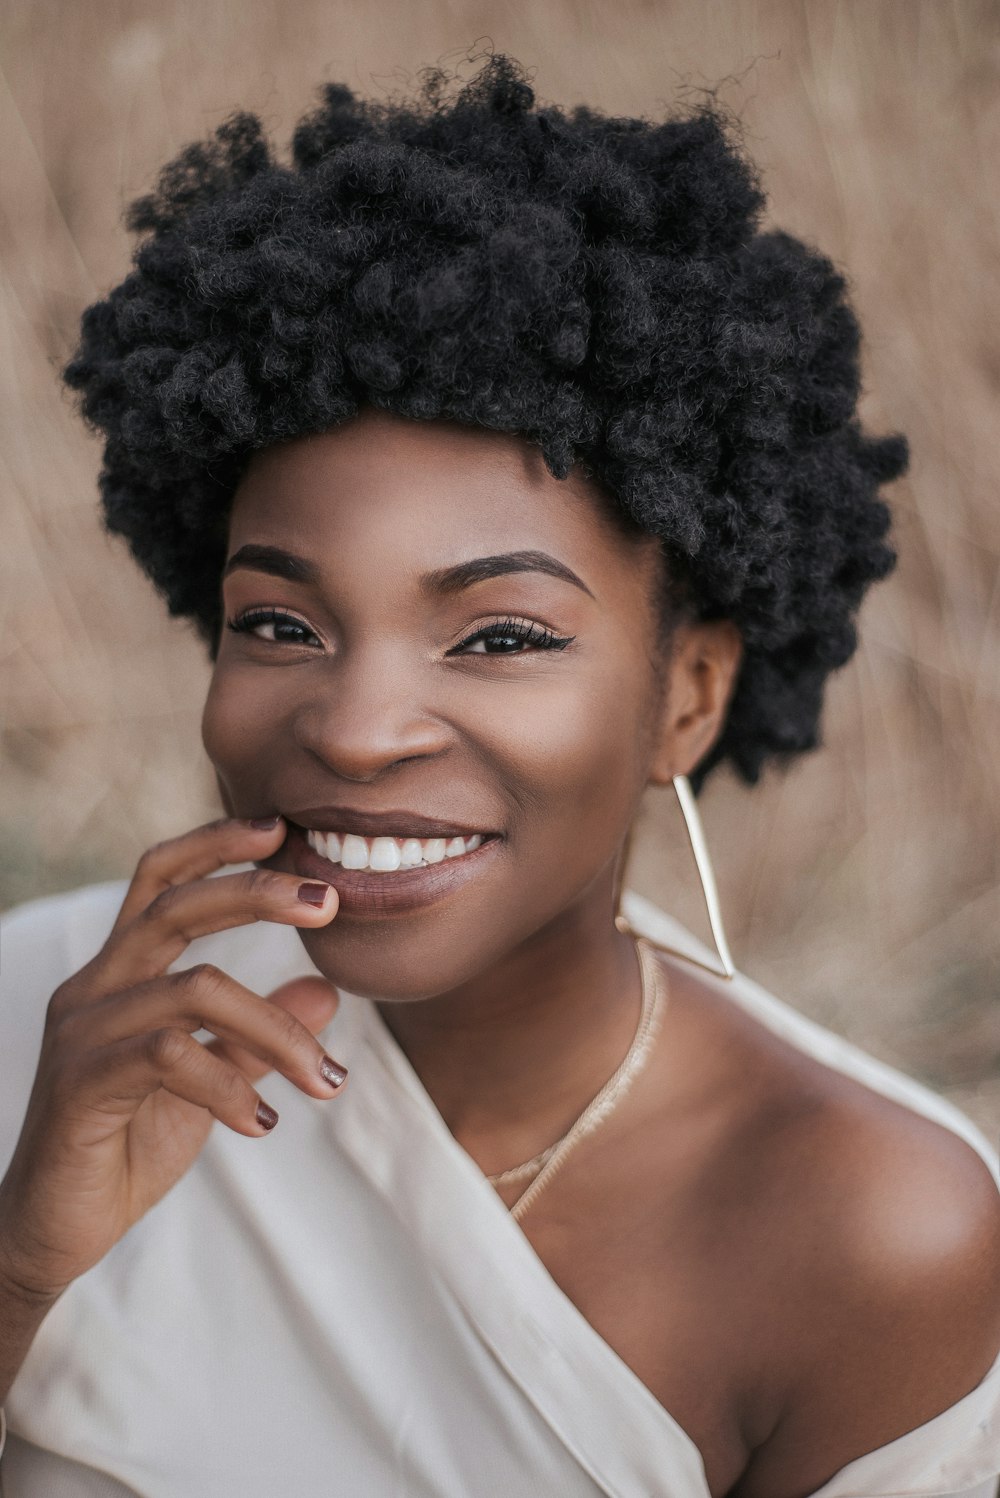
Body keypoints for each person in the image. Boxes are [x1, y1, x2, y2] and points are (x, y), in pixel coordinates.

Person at [0, 52, 997, 1498]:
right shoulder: (47, 1016)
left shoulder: (871, 1231)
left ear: (689, 696)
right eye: (279, 620)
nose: (355, 726)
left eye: (502, 633)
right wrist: (23, 1262)